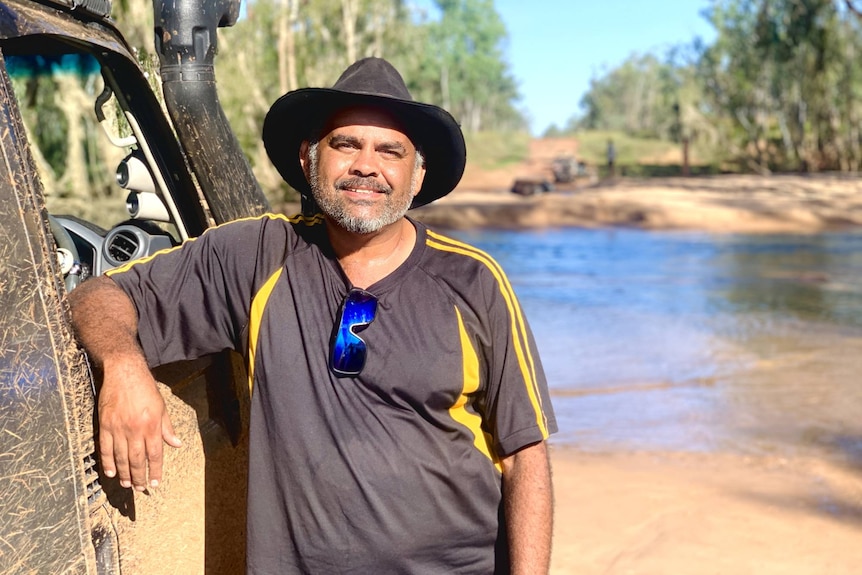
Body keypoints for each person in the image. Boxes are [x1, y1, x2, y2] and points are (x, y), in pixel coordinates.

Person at [69, 57, 557, 574]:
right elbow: (97, 296)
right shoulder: (255, 257)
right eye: (345, 144)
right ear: (309, 159)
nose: (366, 165)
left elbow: (525, 456)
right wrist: (124, 365)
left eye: (390, 151)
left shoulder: (473, 282)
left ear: (417, 174)